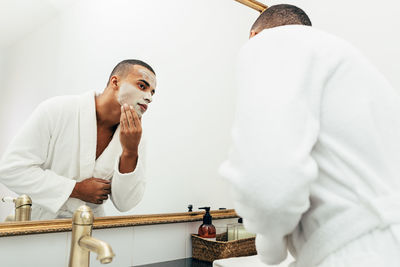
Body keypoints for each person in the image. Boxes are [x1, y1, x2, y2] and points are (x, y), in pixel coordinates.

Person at [220, 4, 400, 267]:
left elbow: (268, 186)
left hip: (353, 252)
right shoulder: (355, 69)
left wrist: (270, 248)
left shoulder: (268, 43)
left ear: (254, 35)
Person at [0, 59, 156, 220]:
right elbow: (11, 169)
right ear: (115, 82)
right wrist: (75, 189)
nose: (149, 98)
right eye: (142, 86)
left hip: (88, 228)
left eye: (152, 92)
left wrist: (130, 152)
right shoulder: (56, 110)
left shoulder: (135, 137)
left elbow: (125, 203)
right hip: (36, 225)